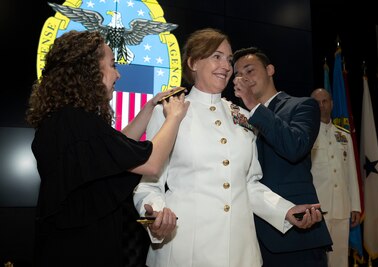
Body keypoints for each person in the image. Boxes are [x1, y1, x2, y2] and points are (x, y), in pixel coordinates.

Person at [133, 28, 325, 267]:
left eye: (229, 59)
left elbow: (248, 185)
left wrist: (286, 211)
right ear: (193, 63)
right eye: (216, 56)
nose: (226, 66)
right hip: (185, 250)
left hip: (239, 253)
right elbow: (149, 184)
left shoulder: (243, 117)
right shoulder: (169, 111)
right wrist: (158, 216)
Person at [25, 30, 189, 267]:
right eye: (112, 65)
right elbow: (152, 163)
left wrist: (150, 107)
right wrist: (173, 117)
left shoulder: (64, 121)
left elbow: (117, 149)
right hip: (81, 252)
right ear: (89, 70)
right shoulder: (77, 122)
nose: (118, 74)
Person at [232, 47, 333, 267]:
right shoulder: (235, 117)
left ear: (270, 69)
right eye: (238, 76)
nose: (244, 78)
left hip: (294, 231)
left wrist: (254, 106)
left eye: (249, 70)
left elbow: (295, 147)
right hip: (246, 234)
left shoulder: (302, 106)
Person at [310, 88, 361, 267]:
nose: (321, 106)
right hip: (317, 209)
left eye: (325, 101)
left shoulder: (344, 136)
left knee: (339, 257)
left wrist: (355, 205)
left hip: (341, 206)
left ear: (331, 104)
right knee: (318, 258)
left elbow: (351, 173)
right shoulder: (307, 135)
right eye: (317, 102)